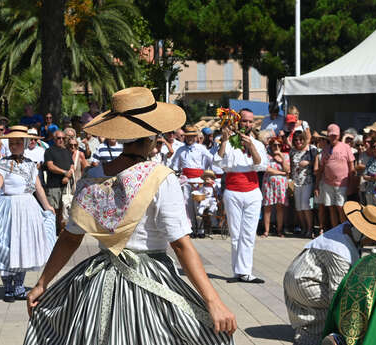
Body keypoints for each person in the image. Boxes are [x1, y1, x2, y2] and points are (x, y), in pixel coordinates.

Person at [24, 87, 236, 345]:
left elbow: (70, 239)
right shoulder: (161, 178)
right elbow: (180, 245)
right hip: (152, 277)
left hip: (100, 280)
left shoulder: (92, 179)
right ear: (152, 136)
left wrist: (41, 285)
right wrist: (213, 301)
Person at [283, 201, 376, 345]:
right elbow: (338, 293)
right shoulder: (340, 250)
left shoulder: (345, 230)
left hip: (299, 280)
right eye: (372, 236)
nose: (372, 240)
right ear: (362, 232)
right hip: (305, 284)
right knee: (339, 315)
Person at [0, 126, 56, 302]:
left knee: (24, 246)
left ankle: (19, 286)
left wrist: (47, 206)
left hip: (28, 208)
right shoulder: (2, 164)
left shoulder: (31, 164)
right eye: (12, 142)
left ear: (25, 143)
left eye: (18, 142)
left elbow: (38, 187)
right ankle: (8, 287)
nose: (15, 145)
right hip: (8, 208)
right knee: (8, 246)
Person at [214, 108, 268, 283]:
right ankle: (239, 271)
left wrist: (251, 146)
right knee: (235, 234)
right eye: (244, 121)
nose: (247, 124)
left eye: (250, 121)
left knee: (249, 233)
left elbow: (261, 166)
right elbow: (218, 164)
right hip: (233, 191)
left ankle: (245, 271)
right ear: (238, 122)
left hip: (252, 191)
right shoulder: (229, 142)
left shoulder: (257, 144)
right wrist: (224, 140)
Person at [171, 125, 213, 230]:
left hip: (199, 180)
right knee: (187, 205)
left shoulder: (201, 148)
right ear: (185, 137)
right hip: (186, 181)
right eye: (188, 137)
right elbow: (175, 165)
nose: (190, 139)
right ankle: (191, 228)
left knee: (199, 205)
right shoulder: (180, 150)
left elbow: (211, 160)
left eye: (192, 136)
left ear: (195, 137)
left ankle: (201, 229)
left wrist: (207, 173)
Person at [318, 124, 355, 228]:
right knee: (331, 207)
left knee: (340, 207)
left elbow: (351, 167)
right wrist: (317, 185)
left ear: (338, 135)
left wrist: (351, 185)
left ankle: (344, 231)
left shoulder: (346, 147)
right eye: (331, 135)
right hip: (328, 183)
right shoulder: (325, 149)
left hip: (342, 183)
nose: (333, 137)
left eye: (335, 135)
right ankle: (335, 231)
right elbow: (321, 168)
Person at [44, 130, 74, 234]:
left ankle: (61, 230)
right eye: (58, 138)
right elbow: (50, 166)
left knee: (64, 208)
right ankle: (52, 230)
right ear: (54, 139)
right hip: (53, 185)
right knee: (53, 209)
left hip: (66, 185)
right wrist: (64, 173)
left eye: (63, 138)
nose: (61, 140)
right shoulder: (49, 151)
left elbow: (72, 165)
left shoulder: (67, 151)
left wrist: (68, 175)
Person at [261, 136, 290, 237]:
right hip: (268, 184)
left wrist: (281, 157)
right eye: (274, 145)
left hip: (281, 185)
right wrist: (281, 173)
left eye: (279, 145)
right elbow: (267, 169)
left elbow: (288, 169)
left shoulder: (285, 156)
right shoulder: (267, 156)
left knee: (280, 208)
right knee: (267, 208)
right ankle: (266, 231)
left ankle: (279, 230)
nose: (276, 147)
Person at [290, 131, 317, 238]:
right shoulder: (292, 151)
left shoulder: (311, 149)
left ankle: (310, 229)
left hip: (308, 181)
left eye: (301, 139)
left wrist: (308, 163)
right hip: (296, 182)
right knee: (298, 207)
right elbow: (291, 166)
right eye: (296, 140)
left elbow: (317, 162)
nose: (298, 142)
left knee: (306, 205)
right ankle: (304, 227)